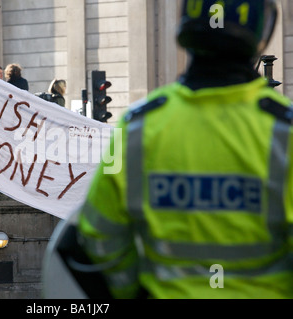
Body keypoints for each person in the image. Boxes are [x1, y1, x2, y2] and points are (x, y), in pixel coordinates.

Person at [44, 0, 292, 299]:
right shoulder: (283, 131)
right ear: (260, 31)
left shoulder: (138, 126)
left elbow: (98, 235)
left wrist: (130, 291)